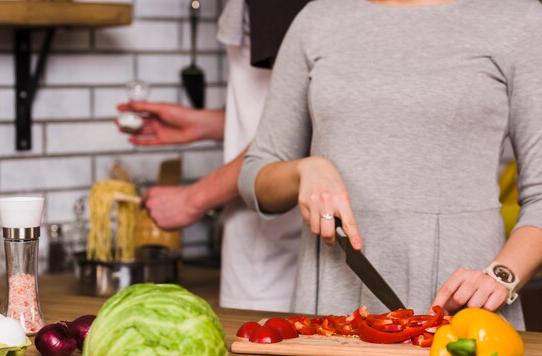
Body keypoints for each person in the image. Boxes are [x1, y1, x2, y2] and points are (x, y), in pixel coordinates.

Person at [238, 0, 542, 329]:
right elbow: (256, 173)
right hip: (330, 305)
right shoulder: (317, 19)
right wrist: (304, 171)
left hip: (462, 311)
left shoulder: (518, 19)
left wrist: (501, 276)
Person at [116, 0, 309, 312]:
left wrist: (192, 199)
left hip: (277, 262)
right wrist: (204, 124)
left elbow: (299, 128)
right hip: (261, 255)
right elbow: (283, 112)